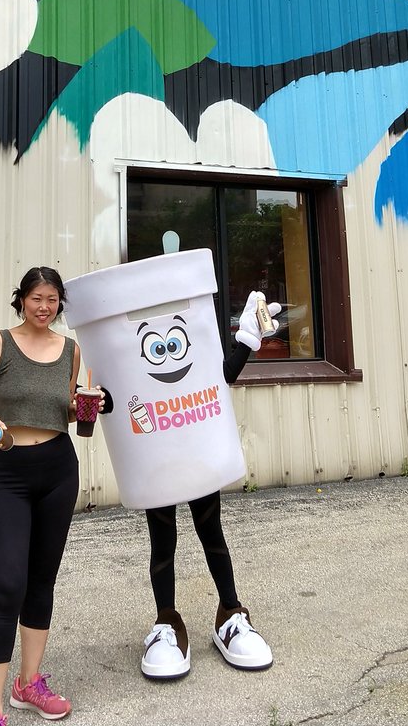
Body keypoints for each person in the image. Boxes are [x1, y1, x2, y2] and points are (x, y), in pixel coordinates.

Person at [0, 266, 104, 726]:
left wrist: (88, 402)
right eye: (35, 298)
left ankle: (29, 684)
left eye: (51, 299)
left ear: (59, 302)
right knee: (8, 584)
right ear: (21, 300)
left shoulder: (71, 350)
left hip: (58, 469)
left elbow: (65, 411)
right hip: (8, 470)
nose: (44, 307)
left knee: (42, 579)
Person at [139, 291, 277, 679]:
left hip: (198, 455)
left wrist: (246, 341)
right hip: (156, 460)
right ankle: (166, 621)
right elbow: (117, 398)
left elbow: (225, 375)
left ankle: (231, 613)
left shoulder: (199, 350)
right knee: (162, 542)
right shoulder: (134, 359)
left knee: (211, 533)